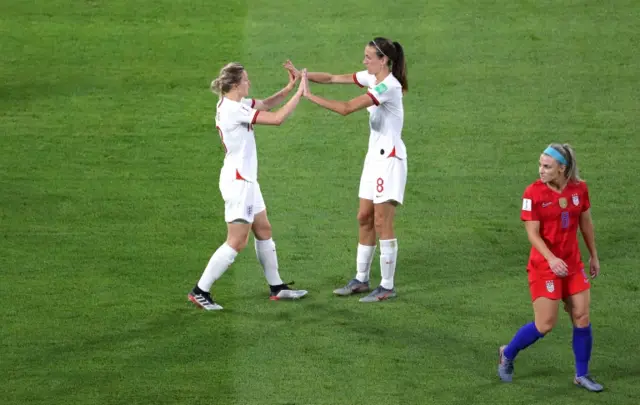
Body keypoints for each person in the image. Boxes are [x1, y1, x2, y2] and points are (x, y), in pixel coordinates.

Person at [285, 36, 408, 302]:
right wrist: (302, 74)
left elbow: (346, 108)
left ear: (384, 60)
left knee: (381, 221)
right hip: (373, 158)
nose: (364, 61)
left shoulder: (388, 86)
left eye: (368, 57)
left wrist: (309, 96)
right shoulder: (371, 77)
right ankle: (361, 280)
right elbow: (331, 78)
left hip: (390, 160)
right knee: (364, 216)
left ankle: (387, 286)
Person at [188, 62, 309, 310]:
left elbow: (265, 104)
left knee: (263, 229)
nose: (249, 83)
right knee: (237, 241)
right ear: (234, 85)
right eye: (245, 80)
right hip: (238, 182)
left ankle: (277, 287)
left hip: (246, 180)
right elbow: (276, 119)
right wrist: (300, 94)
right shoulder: (233, 110)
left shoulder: (233, 103)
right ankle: (200, 290)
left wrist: (289, 87)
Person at [498, 143, 603, 392]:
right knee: (545, 324)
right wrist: (551, 259)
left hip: (573, 263)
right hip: (544, 266)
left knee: (582, 316)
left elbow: (585, 224)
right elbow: (532, 233)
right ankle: (508, 353)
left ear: (562, 169)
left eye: (547, 166)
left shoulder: (580, 189)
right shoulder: (532, 193)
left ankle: (582, 374)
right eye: (540, 165)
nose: (541, 170)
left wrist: (593, 256)